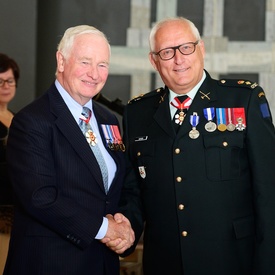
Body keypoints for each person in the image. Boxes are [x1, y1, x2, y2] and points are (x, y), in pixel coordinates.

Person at [116, 17, 275, 275]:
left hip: (233, 262)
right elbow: (133, 190)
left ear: (201, 48)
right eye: (166, 52)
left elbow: (269, 193)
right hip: (165, 264)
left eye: (186, 47)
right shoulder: (138, 113)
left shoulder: (243, 99)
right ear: (154, 61)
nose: (179, 59)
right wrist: (125, 226)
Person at [4, 25, 134, 275]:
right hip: (50, 264)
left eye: (102, 65)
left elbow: (120, 184)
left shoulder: (109, 120)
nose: (94, 74)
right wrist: (107, 230)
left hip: (103, 264)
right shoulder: (31, 121)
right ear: (61, 61)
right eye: (85, 62)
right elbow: (40, 197)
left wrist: (125, 227)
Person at [0, 53, 19, 274]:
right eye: (0, 81)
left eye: (10, 81)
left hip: (19, 215)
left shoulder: (17, 117)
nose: (5, 86)